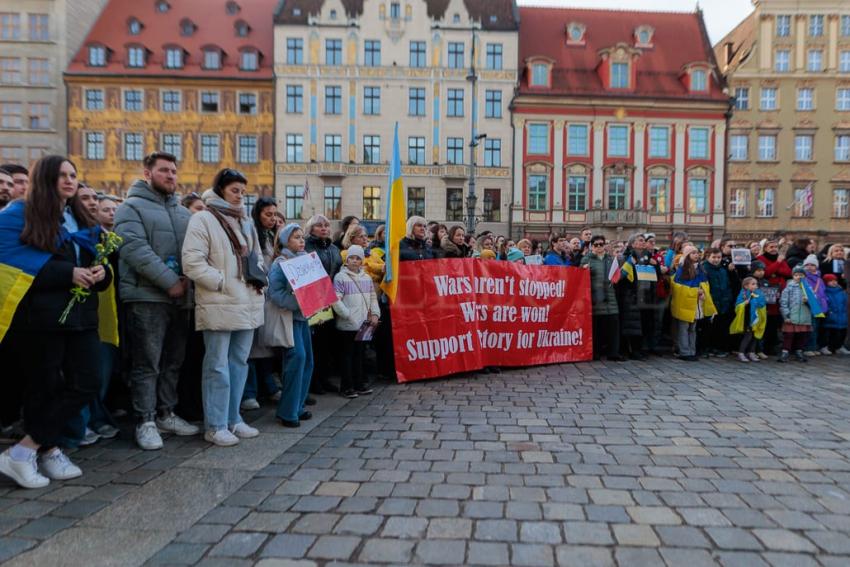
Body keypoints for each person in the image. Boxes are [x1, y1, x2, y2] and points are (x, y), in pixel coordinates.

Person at [0, 156, 111, 488]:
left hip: (82, 316)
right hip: (41, 318)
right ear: (45, 178)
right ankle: (45, 451)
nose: (69, 180)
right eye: (62, 174)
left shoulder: (80, 215)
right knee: (43, 387)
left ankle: (23, 451)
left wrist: (103, 273)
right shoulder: (19, 213)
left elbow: (99, 260)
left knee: (88, 381)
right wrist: (69, 273)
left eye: (73, 175)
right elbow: (9, 261)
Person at [114, 152, 198, 450]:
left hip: (181, 298)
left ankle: (166, 413)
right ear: (147, 173)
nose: (171, 176)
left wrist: (189, 279)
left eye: (174, 171)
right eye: (164, 171)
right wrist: (170, 281)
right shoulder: (130, 207)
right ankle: (145, 420)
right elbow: (134, 249)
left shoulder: (184, 213)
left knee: (173, 361)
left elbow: (194, 251)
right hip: (146, 296)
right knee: (147, 362)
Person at [182, 169, 264, 446]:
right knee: (217, 365)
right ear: (220, 190)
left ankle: (233, 418)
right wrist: (221, 282)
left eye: (243, 190)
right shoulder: (203, 218)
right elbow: (192, 261)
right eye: (234, 190)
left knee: (239, 362)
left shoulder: (246, 222)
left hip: (247, 300)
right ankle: (215, 425)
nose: (240, 195)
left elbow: (257, 257)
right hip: (220, 300)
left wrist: (259, 278)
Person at [268, 223, 313, 428]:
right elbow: (274, 292)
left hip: (304, 318)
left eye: (302, 237)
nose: (301, 240)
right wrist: (299, 302)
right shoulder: (281, 262)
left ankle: (298, 405)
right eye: (296, 237)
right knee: (297, 359)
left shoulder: (305, 260)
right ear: (286, 240)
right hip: (290, 318)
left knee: (307, 361)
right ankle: (287, 411)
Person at [332, 245, 380, 398]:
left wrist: (375, 314)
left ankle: (359, 384)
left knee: (359, 355)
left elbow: (372, 297)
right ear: (346, 260)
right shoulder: (341, 277)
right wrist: (346, 314)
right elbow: (335, 299)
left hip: (362, 324)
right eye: (351, 258)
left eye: (358, 258)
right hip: (347, 325)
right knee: (347, 356)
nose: (354, 261)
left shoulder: (366, 278)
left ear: (362, 261)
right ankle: (346, 386)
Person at [304, 214, 342, 394]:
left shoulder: (334, 248)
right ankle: (313, 381)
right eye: (319, 226)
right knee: (315, 343)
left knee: (327, 341)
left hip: (331, 298)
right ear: (311, 229)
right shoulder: (306, 247)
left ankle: (325, 378)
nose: (324, 228)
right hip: (313, 299)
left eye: (326, 225)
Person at [671, 246, 717, 361]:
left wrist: (702, 292)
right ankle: (684, 352)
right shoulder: (683, 269)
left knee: (693, 329)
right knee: (684, 328)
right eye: (693, 253)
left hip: (697, 304)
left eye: (697, 253)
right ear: (687, 255)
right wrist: (695, 291)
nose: (696, 255)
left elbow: (704, 284)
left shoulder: (700, 269)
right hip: (686, 304)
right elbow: (679, 288)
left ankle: (692, 351)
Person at [581, 235, 621, 361]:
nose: (599, 247)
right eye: (596, 245)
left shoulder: (610, 259)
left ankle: (613, 353)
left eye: (601, 244)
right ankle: (596, 352)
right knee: (597, 328)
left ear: (605, 245)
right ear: (591, 246)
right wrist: (583, 270)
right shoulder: (587, 259)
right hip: (595, 297)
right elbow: (579, 276)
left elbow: (617, 275)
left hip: (610, 296)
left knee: (613, 326)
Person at [756, 239, 791, 356]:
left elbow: (788, 272)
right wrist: (777, 264)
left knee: (776, 322)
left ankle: (773, 346)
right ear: (765, 248)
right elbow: (766, 273)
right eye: (771, 247)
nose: (774, 249)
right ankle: (763, 348)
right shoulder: (761, 259)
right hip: (767, 293)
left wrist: (776, 270)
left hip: (780, 293)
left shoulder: (781, 259)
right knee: (767, 322)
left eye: (776, 246)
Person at [778, 265, 820, 362]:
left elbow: (815, 304)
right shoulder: (789, 288)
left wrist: (808, 301)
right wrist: (786, 315)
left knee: (802, 335)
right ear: (793, 276)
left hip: (804, 317)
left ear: (805, 276)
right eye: (796, 275)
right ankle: (785, 352)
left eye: (801, 275)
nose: (799, 277)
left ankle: (799, 351)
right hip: (792, 316)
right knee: (789, 335)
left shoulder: (808, 289)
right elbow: (783, 302)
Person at [701, 247, 734, 357]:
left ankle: (717, 347)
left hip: (723, 301)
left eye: (718, 257)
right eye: (714, 257)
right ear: (708, 257)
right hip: (711, 301)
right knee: (708, 327)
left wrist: (728, 297)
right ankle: (706, 347)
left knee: (720, 327)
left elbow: (728, 285)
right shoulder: (704, 269)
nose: (716, 260)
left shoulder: (722, 270)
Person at [730, 277, 766, 363]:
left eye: (756, 284)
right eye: (753, 284)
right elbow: (738, 306)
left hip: (756, 319)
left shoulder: (758, 293)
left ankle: (751, 352)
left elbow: (762, 304)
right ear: (746, 286)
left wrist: (758, 303)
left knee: (755, 336)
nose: (755, 286)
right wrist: (744, 304)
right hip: (747, 319)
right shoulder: (743, 294)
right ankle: (741, 353)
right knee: (748, 336)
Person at [822, 274, 849, 355]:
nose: (833, 282)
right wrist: (829, 311)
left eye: (835, 280)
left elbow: (845, 302)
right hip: (831, 316)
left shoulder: (841, 291)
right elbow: (825, 303)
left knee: (842, 332)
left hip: (842, 315)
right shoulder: (825, 291)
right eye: (830, 281)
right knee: (831, 333)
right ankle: (827, 347)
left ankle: (839, 347)